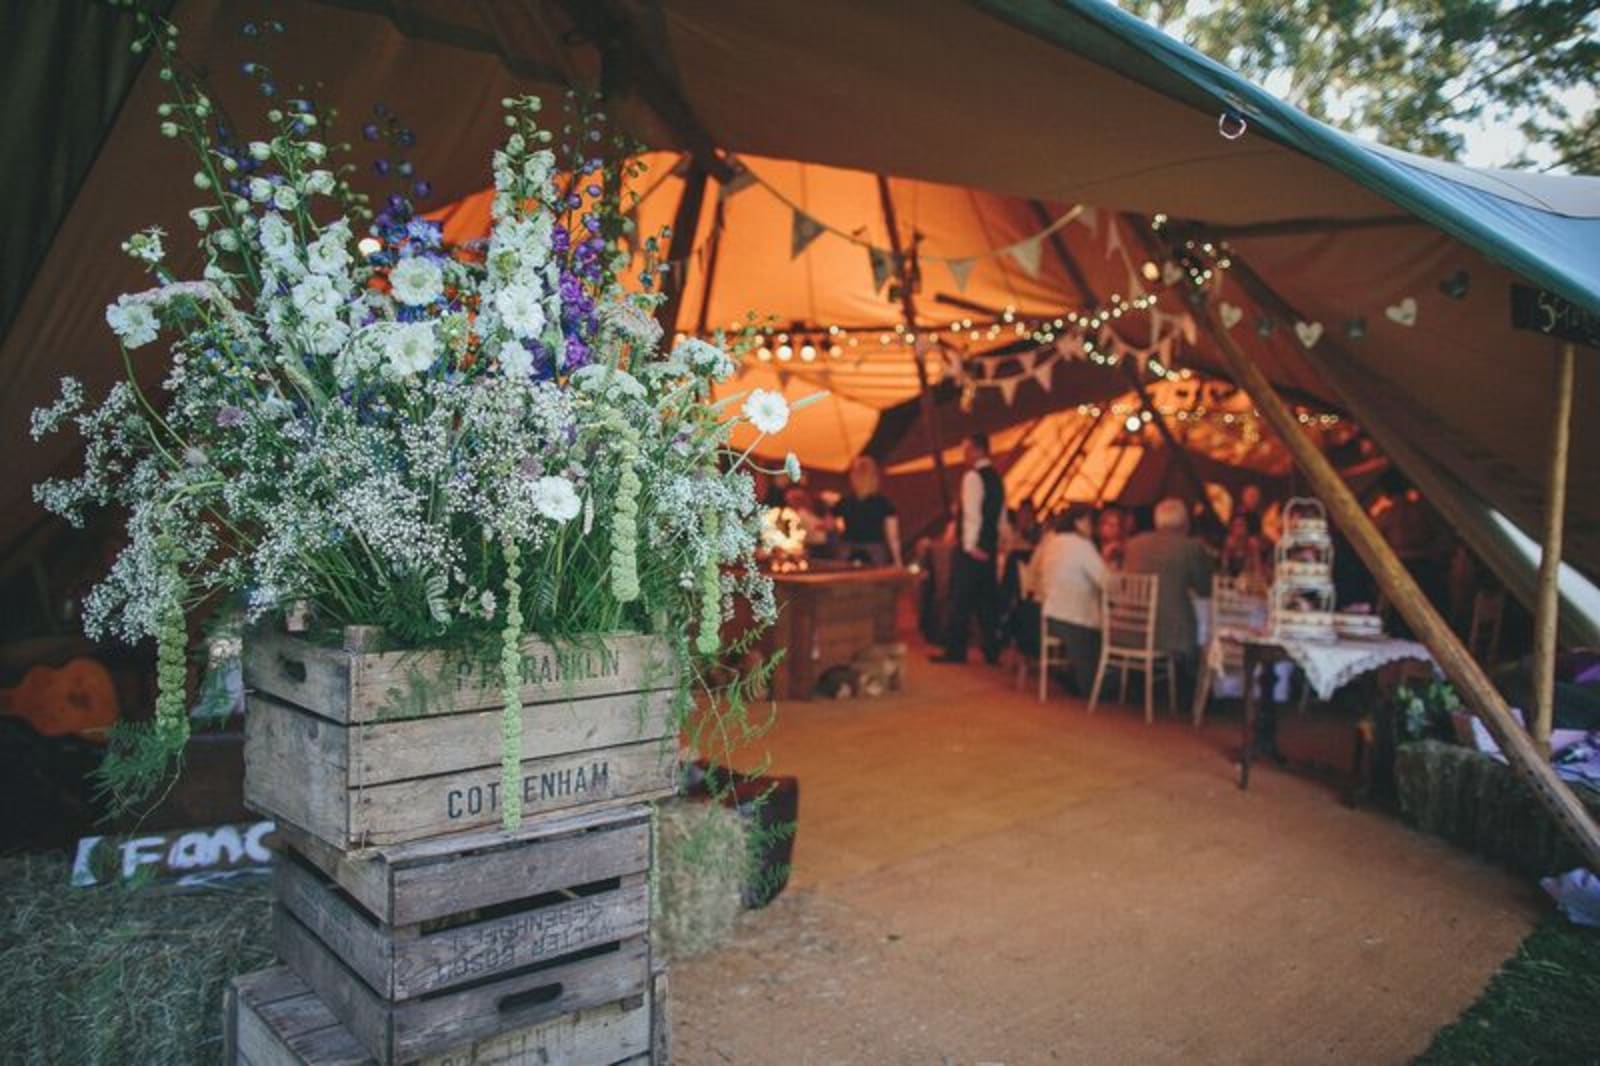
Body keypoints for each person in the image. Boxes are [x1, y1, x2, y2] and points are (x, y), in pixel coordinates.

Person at [1123, 497, 1215, 680]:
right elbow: (1205, 589)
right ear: (1184, 523)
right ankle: (1190, 692)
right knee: (1202, 628)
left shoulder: (1133, 544)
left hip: (1129, 628)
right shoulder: (1191, 547)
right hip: (1170, 633)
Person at [932, 433, 1004, 665]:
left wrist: (971, 545)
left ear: (978, 450)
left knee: (959, 600)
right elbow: (998, 515)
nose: (964, 456)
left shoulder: (973, 477)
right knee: (986, 601)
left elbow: (973, 514)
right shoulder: (996, 478)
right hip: (989, 547)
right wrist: (991, 544)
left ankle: (956, 650)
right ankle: (992, 650)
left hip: (972, 548)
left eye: (967, 450)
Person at [1030, 504, 1107, 696]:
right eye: (1091, 522)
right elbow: (1105, 580)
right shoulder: (1081, 546)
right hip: (1075, 616)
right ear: (1079, 522)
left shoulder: (1053, 541)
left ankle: (1073, 677)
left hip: (1052, 614)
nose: (1093, 527)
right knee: (1096, 664)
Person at [836, 456, 903, 567]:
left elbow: (832, 523)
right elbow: (893, 537)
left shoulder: (844, 501)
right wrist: (898, 560)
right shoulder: (883, 503)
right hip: (875, 551)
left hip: (847, 550)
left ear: (854, 477)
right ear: (874, 477)